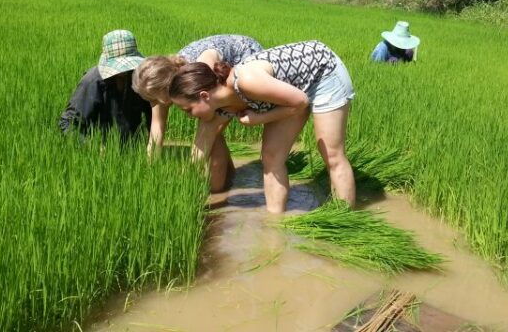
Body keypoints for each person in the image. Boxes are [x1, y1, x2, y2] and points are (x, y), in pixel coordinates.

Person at [168, 40, 356, 213]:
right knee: (271, 157)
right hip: (292, 92)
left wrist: (260, 118)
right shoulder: (220, 106)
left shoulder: (247, 81)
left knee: (331, 154)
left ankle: (343, 217)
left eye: (188, 110)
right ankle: (275, 222)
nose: (189, 116)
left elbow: (300, 102)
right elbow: (200, 149)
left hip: (323, 73)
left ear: (204, 96)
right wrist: (181, 193)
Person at [132, 34, 264, 192]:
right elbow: (157, 129)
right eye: (152, 100)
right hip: (207, 83)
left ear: (171, 87)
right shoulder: (161, 87)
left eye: (159, 99)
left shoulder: (201, 72)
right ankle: (229, 177)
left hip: (243, 57)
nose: (158, 103)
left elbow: (208, 130)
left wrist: (187, 176)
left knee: (212, 136)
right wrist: (149, 171)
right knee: (210, 136)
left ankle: (217, 192)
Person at [58, 30, 151, 141]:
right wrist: (91, 146)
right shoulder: (92, 81)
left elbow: (153, 115)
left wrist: (151, 146)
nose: (126, 70)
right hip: (98, 150)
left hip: (133, 147)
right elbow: (67, 123)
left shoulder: (140, 77)